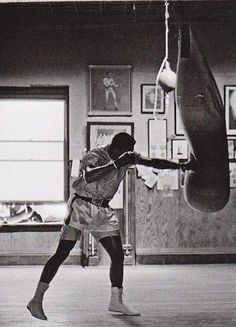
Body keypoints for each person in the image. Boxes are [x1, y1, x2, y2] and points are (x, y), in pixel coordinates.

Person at [27, 132, 194, 321]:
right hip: (82, 207)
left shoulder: (128, 156)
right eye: (126, 152)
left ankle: (116, 300)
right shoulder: (96, 155)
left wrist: (182, 166)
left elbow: (153, 162)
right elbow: (89, 175)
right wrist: (116, 164)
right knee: (62, 254)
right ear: (115, 149)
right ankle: (36, 300)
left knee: (117, 254)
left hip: (102, 211)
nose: (130, 155)